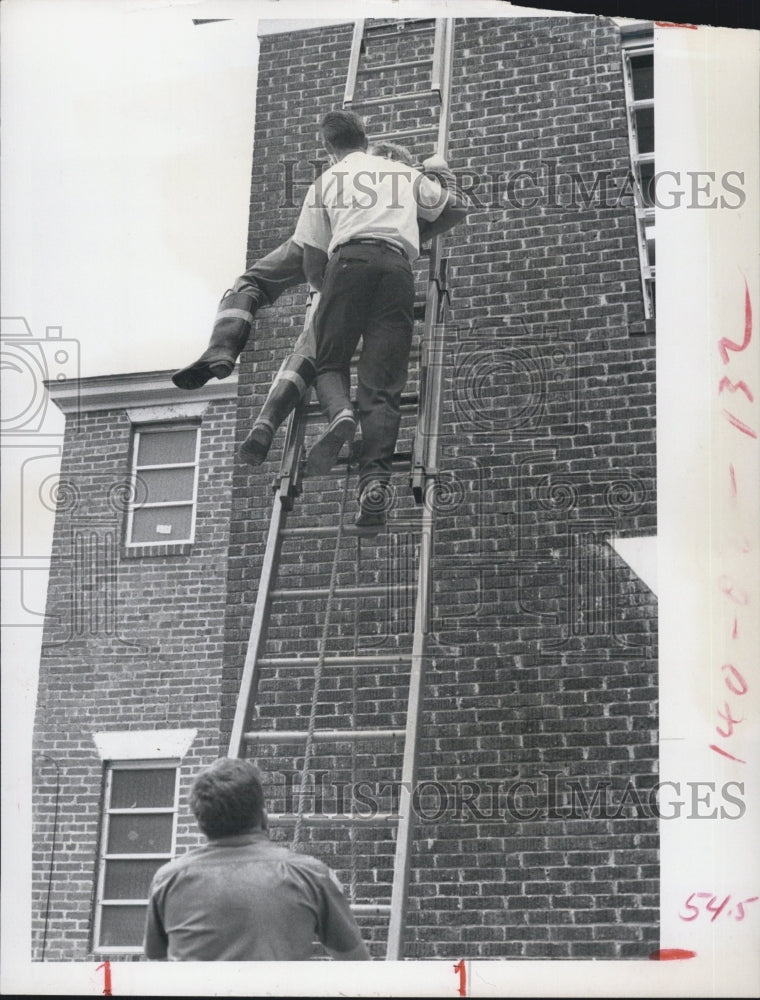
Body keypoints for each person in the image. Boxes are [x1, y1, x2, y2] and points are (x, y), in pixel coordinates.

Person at [172, 143, 462, 470]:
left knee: (254, 285)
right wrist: (437, 172)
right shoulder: (406, 186)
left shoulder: (349, 174)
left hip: (326, 247)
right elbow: (451, 205)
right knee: (316, 348)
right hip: (357, 260)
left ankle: (225, 354)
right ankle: (276, 420)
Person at [294, 110, 467, 533]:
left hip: (347, 263)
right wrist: (409, 236)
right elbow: (455, 209)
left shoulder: (324, 182)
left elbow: (312, 264)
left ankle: (340, 413)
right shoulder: (400, 173)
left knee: (329, 361)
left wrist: (331, 292)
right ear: (365, 137)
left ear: (329, 147)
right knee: (383, 384)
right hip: (397, 272)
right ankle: (374, 486)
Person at [143, 757, 370, 961]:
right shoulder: (310, 875)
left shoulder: (167, 880)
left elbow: (158, 962)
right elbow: (357, 966)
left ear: (200, 822)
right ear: (263, 815)